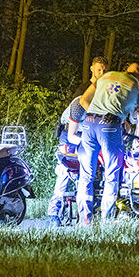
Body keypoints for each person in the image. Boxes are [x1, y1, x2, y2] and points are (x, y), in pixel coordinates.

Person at [77, 62, 139, 223]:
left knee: (86, 175)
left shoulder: (106, 76)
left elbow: (84, 99)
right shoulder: (136, 86)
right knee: (112, 173)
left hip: (88, 122)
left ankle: (85, 220)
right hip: (109, 126)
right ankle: (106, 219)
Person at [45, 95, 87, 226]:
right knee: (65, 171)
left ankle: (86, 210)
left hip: (84, 134)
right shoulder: (79, 103)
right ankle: (53, 213)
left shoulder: (100, 102)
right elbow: (71, 130)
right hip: (69, 135)